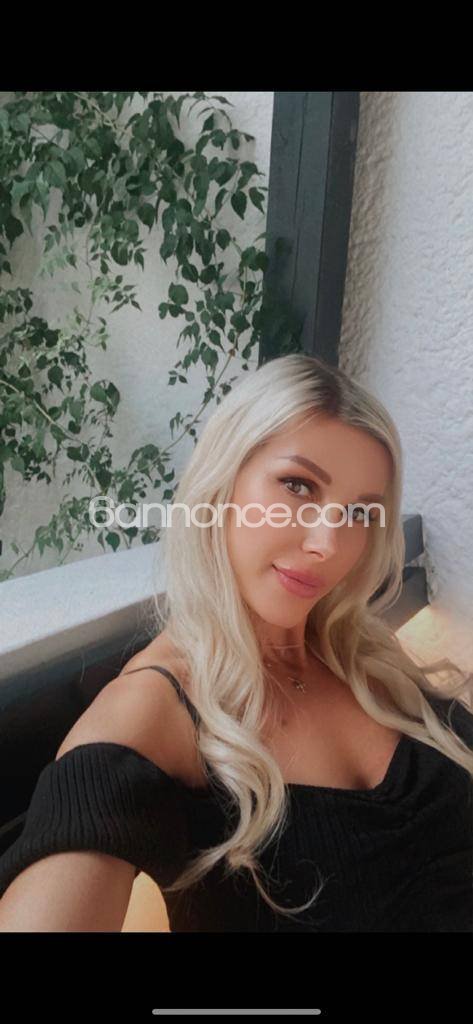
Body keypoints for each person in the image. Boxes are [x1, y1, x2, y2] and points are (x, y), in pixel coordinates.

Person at [0, 352, 472, 932]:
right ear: (222, 485)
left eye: (359, 512)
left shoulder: (361, 650)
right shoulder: (157, 708)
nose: (327, 543)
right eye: (298, 486)